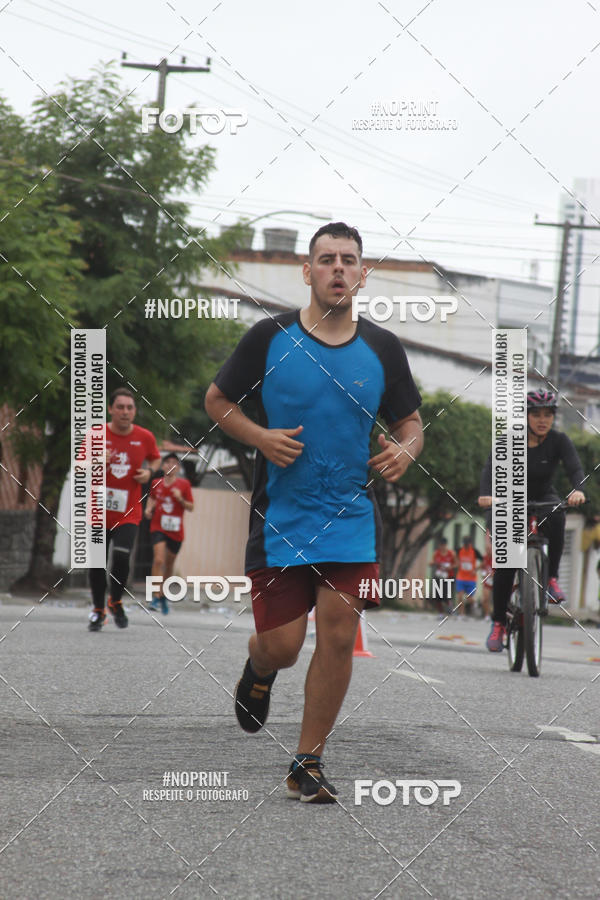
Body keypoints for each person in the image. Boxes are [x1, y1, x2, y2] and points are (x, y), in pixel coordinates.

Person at [204, 222, 423, 803]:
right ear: (307, 271)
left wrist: (406, 448)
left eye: (348, 260)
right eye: (326, 259)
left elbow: (410, 423)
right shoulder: (269, 338)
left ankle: (308, 760)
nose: (337, 269)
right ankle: (258, 667)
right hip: (281, 518)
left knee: (338, 632)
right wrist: (260, 437)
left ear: (362, 273)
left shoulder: (382, 349)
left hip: (350, 518)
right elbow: (217, 400)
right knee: (282, 645)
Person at [478, 389, 586, 652]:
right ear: (525, 416)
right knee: (505, 566)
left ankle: (550, 579)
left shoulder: (559, 441)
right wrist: (486, 495)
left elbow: (574, 467)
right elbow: (490, 469)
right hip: (508, 499)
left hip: (543, 497)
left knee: (558, 515)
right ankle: (499, 624)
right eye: (536, 414)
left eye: (548, 415)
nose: (542, 420)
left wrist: (578, 489)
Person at [88, 387, 161, 631]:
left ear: (135, 411)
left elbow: (155, 459)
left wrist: (149, 472)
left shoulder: (145, 437)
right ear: (110, 409)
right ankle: (98, 610)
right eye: (120, 407)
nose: (125, 412)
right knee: (97, 562)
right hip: (98, 510)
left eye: (129, 407)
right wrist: (98, 460)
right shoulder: (96, 434)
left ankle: (116, 600)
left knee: (120, 555)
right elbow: (80, 467)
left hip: (129, 511)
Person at [144, 453, 194, 614]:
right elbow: (152, 498)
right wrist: (148, 508)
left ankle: (163, 595)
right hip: (158, 526)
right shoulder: (155, 483)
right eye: (167, 462)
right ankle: (154, 595)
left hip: (176, 530)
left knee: (169, 564)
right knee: (158, 560)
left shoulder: (184, 485)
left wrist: (180, 499)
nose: (170, 465)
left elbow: (191, 507)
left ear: (178, 468)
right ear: (163, 466)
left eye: (174, 463)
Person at [455, 535, 481, 617]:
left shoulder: (475, 551)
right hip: (461, 577)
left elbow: (483, 561)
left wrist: (476, 569)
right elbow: (455, 557)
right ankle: (461, 613)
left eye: (467, 544)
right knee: (459, 596)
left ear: (470, 543)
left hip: (471, 579)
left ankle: (476, 604)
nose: (465, 546)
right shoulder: (459, 550)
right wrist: (457, 563)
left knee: (469, 598)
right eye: (464, 544)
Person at [430, 536, 456, 615]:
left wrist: (450, 567)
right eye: (440, 545)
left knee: (445, 595)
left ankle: (449, 606)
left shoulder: (451, 553)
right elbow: (431, 562)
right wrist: (434, 563)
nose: (442, 547)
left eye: (443, 545)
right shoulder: (436, 553)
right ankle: (440, 613)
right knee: (436, 596)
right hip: (438, 576)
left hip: (448, 577)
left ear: (446, 545)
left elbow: (457, 564)